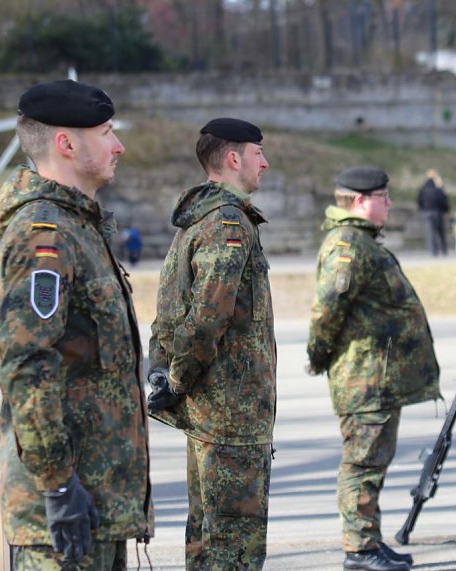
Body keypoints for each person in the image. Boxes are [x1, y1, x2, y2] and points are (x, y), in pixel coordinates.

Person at [0, 79, 151, 570]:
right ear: (66, 144)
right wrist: (58, 484)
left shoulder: (80, 228)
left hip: (98, 502)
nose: (119, 145)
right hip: (62, 513)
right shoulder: (46, 235)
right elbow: (24, 363)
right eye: (106, 133)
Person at [147, 117, 276, 570]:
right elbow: (206, 318)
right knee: (232, 550)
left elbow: (167, 316)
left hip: (211, 418)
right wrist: (176, 380)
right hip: (231, 418)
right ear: (233, 158)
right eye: (257, 152)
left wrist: (165, 376)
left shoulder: (197, 222)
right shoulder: (227, 225)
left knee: (206, 544)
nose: (265, 161)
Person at [306, 166, 442, 571]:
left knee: (374, 463)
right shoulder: (348, 244)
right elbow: (326, 311)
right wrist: (318, 356)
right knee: (361, 464)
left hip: (379, 378)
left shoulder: (361, 242)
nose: (390, 204)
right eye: (384, 197)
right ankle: (359, 550)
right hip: (365, 379)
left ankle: (369, 540)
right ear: (362, 200)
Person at [415, 169, 450, 256]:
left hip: (427, 212)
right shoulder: (438, 190)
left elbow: (419, 201)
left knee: (430, 233)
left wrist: (422, 209)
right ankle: (444, 250)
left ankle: (433, 252)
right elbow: (444, 201)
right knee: (441, 233)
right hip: (439, 212)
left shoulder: (422, 190)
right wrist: (446, 211)